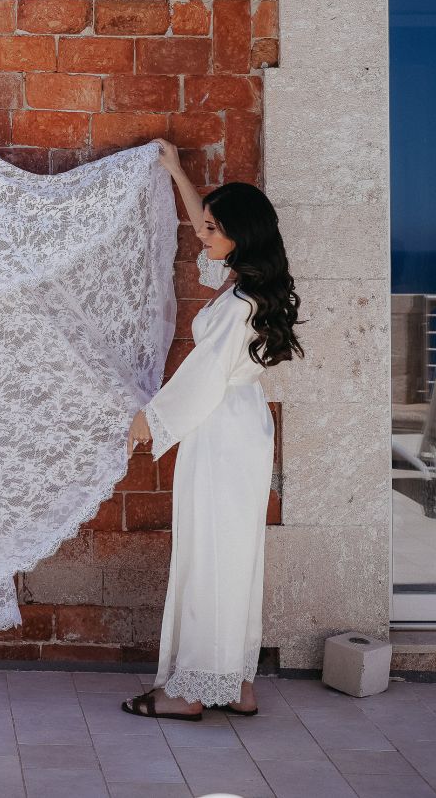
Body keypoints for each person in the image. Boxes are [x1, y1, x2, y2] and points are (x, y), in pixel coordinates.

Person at [121, 141, 302, 720]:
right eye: (204, 226)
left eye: (212, 230)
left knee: (209, 555)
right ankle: (237, 682)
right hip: (240, 426)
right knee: (234, 554)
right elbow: (206, 225)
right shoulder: (241, 285)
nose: (202, 235)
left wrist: (151, 418)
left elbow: (201, 376)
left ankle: (191, 692)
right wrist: (177, 171)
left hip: (221, 428)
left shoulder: (236, 305)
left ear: (239, 236)